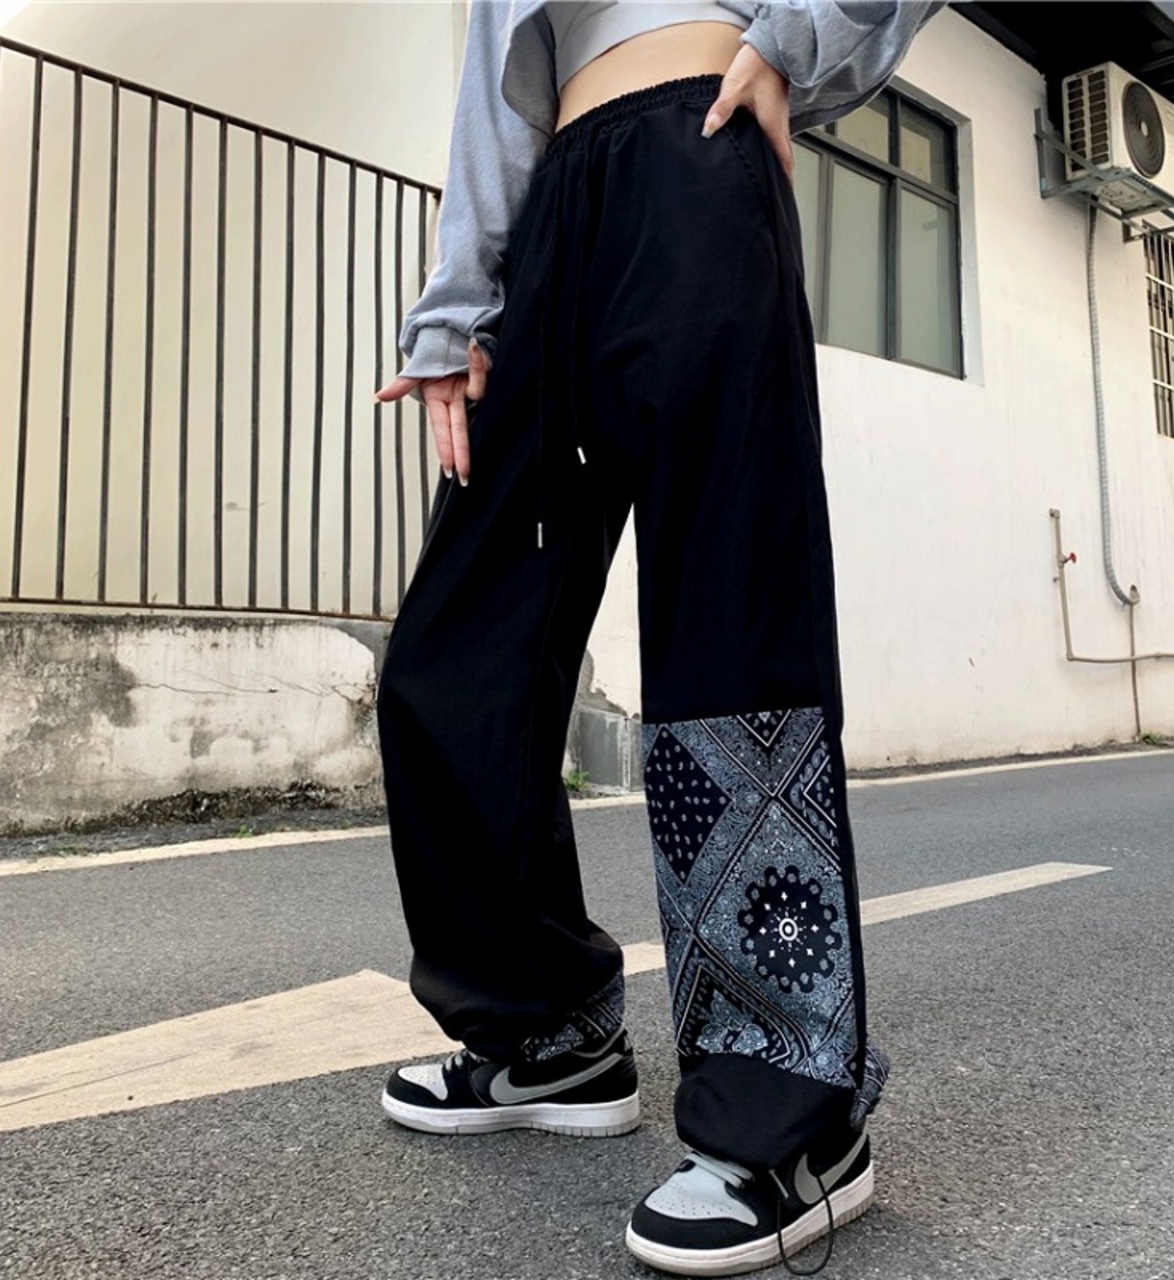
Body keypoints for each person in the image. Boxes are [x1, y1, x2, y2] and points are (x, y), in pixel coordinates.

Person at [373, 2, 943, 1274]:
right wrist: (452, 310)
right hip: (554, 214)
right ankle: (545, 1029)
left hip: (700, 140)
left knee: (727, 626)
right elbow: (492, 94)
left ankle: (786, 1112)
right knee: (454, 653)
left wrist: (799, 34)